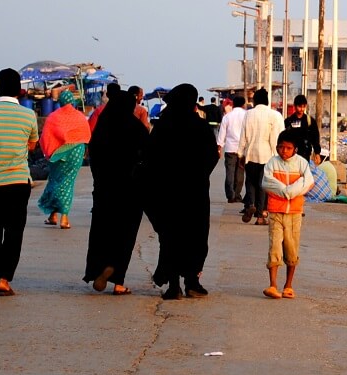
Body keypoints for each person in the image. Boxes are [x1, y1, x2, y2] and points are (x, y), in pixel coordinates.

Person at [143, 83, 219, 300]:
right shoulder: (200, 126)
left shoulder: (163, 126)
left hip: (167, 192)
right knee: (195, 235)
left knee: (170, 237)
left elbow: (150, 157)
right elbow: (212, 156)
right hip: (195, 191)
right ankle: (192, 282)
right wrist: (199, 174)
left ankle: (174, 285)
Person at [0, 68, 39, 297]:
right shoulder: (28, 115)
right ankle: (2, 278)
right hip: (18, 180)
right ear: (19, 91)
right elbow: (32, 145)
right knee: (14, 231)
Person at [84, 90, 148, 295]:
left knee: (101, 232)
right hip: (130, 190)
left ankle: (97, 269)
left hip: (104, 189)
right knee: (125, 233)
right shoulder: (137, 128)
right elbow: (147, 158)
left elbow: (93, 158)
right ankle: (118, 279)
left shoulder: (103, 127)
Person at [261, 136, 314, 299]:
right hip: (276, 211)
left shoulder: (301, 163)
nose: (284, 151)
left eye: (288, 148)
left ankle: (288, 285)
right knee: (274, 247)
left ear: (295, 149)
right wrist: (287, 191)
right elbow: (267, 183)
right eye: (281, 147)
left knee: (292, 249)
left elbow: (308, 182)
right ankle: (273, 285)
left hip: (294, 213)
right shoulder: (272, 163)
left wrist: (289, 191)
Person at [37, 90, 91, 230]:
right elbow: (86, 135)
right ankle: (59, 216)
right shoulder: (79, 116)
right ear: (72, 101)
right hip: (76, 152)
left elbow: (46, 137)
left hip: (58, 154)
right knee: (67, 182)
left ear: (60, 101)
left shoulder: (53, 117)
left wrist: (48, 152)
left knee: (55, 180)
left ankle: (59, 216)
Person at [237, 87, 284, 225]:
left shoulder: (248, 114)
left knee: (250, 182)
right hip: (267, 156)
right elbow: (275, 138)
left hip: (250, 154)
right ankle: (260, 216)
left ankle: (251, 204)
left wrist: (240, 154)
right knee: (263, 185)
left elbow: (243, 136)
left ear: (255, 101)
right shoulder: (274, 115)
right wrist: (278, 156)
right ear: (267, 101)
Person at [217, 96, 247, 203]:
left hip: (230, 148)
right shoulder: (247, 115)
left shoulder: (227, 116)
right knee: (240, 172)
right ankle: (237, 194)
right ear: (243, 104)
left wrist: (219, 147)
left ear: (233, 104)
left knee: (230, 171)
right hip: (243, 149)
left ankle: (230, 195)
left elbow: (222, 133)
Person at [281, 94, 321, 162]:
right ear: (295, 106)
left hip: (305, 154)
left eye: (304, 106)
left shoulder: (310, 121)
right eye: (299, 106)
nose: (302, 109)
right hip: (291, 154)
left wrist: (317, 153)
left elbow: (315, 138)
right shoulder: (289, 121)